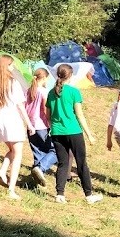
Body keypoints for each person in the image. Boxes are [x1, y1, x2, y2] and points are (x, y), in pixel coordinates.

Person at [46, 64, 101, 204]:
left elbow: (48, 116)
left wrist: (54, 126)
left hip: (57, 132)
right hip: (73, 131)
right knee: (81, 163)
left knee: (62, 164)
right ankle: (89, 195)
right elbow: (79, 115)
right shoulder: (74, 92)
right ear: (70, 76)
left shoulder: (51, 93)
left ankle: (60, 194)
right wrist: (89, 135)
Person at [0, 55, 34, 199]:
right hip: (13, 122)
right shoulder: (13, 83)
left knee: (12, 150)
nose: (13, 67)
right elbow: (20, 106)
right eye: (11, 65)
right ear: (6, 66)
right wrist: (29, 124)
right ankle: (11, 189)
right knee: (18, 155)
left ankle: (2, 170)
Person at [23, 66, 57, 188]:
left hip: (30, 126)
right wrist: (51, 123)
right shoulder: (43, 91)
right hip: (42, 126)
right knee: (55, 150)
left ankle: (35, 183)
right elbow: (45, 109)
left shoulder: (28, 91)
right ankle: (41, 168)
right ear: (44, 78)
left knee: (38, 153)